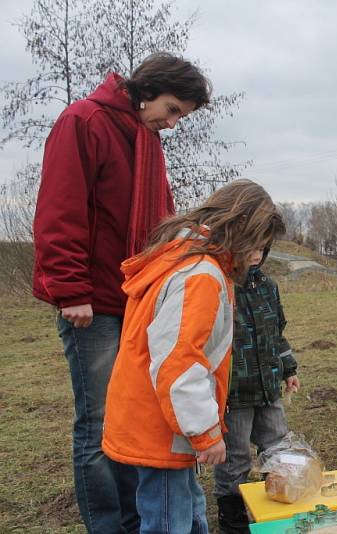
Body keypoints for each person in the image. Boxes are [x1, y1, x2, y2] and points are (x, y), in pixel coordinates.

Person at [31, 52, 212, 533]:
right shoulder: (82, 121)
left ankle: (139, 521)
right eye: (172, 109)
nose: (173, 123)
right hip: (92, 303)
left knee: (132, 422)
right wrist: (70, 290)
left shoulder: (145, 139)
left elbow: (162, 217)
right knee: (98, 424)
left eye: (182, 116)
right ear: (145, 91)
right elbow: (59, 210)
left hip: (138, 299)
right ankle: (109, 525)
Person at [101, 179, 285, 534]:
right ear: (241, 230)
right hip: (161, 426)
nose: (257, 256)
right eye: (257, 243)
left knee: (190, 509)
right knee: (168, 520)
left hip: (162, 420)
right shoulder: (200, 276)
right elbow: (180, 362)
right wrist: (205, 433)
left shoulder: (186, 259)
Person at [213, 248, 300, 534]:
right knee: (235, 458)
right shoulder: (219, 283)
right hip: (235, 394)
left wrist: (288, 368)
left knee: (278, 448)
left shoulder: (268, 286)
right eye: (249, 245)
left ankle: (277, 510)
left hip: (269, 390)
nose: (256, 253)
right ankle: (233, 519)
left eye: (262, 247)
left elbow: (277, 332)